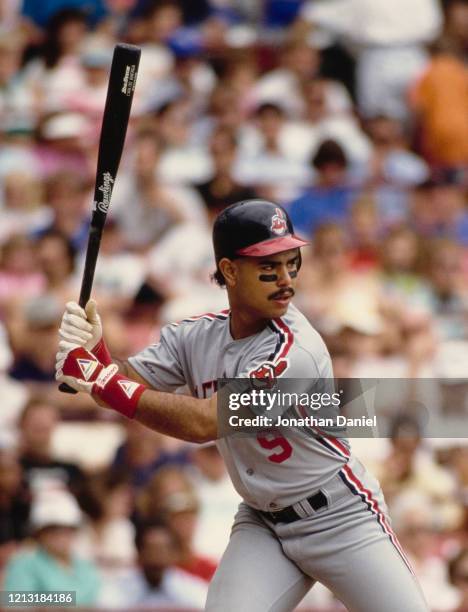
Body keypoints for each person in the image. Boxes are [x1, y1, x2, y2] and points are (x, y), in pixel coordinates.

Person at [55, 199, 429, 611]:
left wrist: (99, 378)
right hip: (262, 523)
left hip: (339, 517)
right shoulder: (195, 337)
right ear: (230, 270)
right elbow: (126, 385)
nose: (285, 279)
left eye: (291, 263)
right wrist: (96, 355)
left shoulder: (296, 351)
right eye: (268, 267)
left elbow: (204, 423)